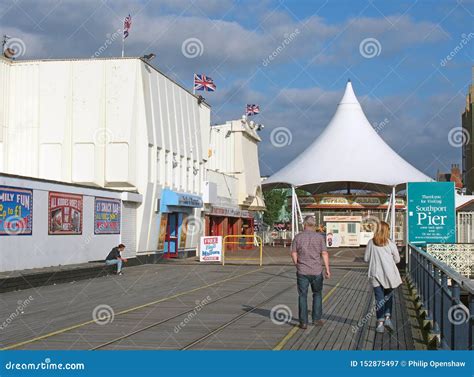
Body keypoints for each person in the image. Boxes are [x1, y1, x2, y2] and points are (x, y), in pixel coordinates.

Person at [291, 216, 331, 329]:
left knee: (302, 296)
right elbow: (324, 254)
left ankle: (303, 322)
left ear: (304, 224)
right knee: (317, 294)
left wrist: (297, 265)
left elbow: (293, 253)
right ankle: (316, 319)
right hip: (317, 271)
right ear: (314, 225)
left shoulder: (298, 237)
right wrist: (327, 269)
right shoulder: (319, 238)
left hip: (302, 271)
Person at [364, 221, 402, 334]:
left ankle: (380, 324)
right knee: (388, 297)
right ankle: (388, 318)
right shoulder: (391, 244)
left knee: (379, 298)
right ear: (387, 231)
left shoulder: (371, 243)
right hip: (389, 274)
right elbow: (398, 260)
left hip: (376, 274)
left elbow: (366, 259)